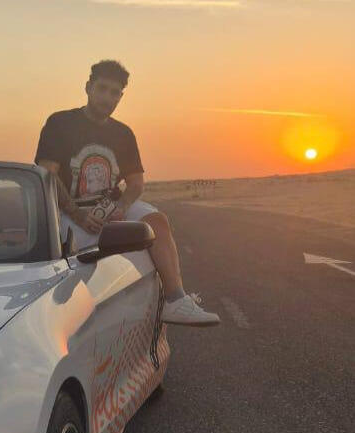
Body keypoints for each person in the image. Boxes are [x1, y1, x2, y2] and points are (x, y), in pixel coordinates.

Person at [35, 59, 220, 326]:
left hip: (109, 207)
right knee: (77, 266)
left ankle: (175, 300)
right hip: (65, 210)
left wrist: (121, 208)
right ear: (88, 87)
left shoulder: (123, 134)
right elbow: (47, 175)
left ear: (121, 97)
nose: (107, 97)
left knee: (156, 221)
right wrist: (77, 214)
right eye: (102, 89)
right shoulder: (60, 123)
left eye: (115, 93)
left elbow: (136, 184)